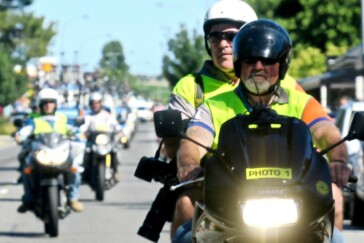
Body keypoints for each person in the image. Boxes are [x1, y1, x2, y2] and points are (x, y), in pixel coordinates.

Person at [176, 19, 351, 242]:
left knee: (335, 210)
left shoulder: (302, 102)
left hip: (295, 194)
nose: (258, 67)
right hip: (227, 195)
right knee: (185, 224)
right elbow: (193, 139)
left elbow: (327, 132)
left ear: (282, 65)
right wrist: (189, 165)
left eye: (267, 60)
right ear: (239, 64)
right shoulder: (214, 105)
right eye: (250, 60)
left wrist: (339, 160)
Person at [167, 0, 307, 240]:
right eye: (215, 36)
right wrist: (188, 163)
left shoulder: (285, 85)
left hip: (283, 182)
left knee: (328, 204)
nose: (222, 43)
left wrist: (333, 159)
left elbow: (316, 128)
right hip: (216, 181)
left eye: (231, 36)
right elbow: (181, 144)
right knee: (185, 203)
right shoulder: (192, 86)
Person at [16, 88, 84, 213]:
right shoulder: (34, 119)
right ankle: (28, 198)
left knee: (75, 169)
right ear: (40, 104)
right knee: (26, 169)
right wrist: (20, 135)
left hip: (59, 152)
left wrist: (78, 134)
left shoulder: (63, 119)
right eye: (45, 102)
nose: (48, 105)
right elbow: (25, 130)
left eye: (51, 102)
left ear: (56, 104)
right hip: (40, 153)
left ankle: (73, 198)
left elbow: (75, 130)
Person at [80, 92, 121, 182]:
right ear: (90, 104)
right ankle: (85, 173)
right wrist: (83, 132)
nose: (95, 105)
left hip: (106, 141)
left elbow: (115, 125)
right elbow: (83, 126)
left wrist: (119, 130)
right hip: (92, 141)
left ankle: (115, 171)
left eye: (97, 103)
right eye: (93, 103)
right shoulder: (88, 116)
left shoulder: (107, 115)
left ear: (100, 103)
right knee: (85, 153)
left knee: (114, 150)